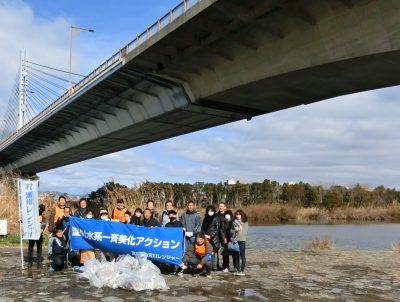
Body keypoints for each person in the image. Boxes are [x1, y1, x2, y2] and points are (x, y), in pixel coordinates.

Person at [202, 205, 220, 271]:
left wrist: (211, 235)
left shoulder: (216, 218)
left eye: (212, 211)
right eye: (209, 211)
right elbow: (202, 228)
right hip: (206, 238)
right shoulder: (205, 218)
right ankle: (207, 266)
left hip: (214, 239)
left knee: (214, 253)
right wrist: (204, 235)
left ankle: (214, 267)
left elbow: (217, 228)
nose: (210, 212)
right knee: (206, 252)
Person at [165, 210, 184, 275]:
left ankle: (179, 269)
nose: (171, 216)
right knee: (171, 255)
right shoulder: (167, 225)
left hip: (178, 243)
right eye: (170, 215)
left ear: (175, 215)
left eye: (173, 214)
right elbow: (165, 234)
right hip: (170, 243)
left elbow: (182, 233)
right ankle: (172, 269)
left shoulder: (179, 223)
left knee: (178, 256)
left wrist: (183, 230)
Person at [231, 209, 249, 276]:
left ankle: (242, 271)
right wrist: (234, 230)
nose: (238, 216)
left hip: (242, 241)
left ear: (242, 215)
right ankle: (237, 270)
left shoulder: (245, 223)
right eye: (237, 214)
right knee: (236, 256)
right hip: (235, 242)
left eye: (239, 214)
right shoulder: (234, 222)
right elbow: (231, 232)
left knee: (242, 256)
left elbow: (244, 233)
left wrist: (238, 231)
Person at [216, 202, 228, 270]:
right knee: (216, 252)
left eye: (222, 206)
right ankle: (216, 265)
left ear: (225, 207)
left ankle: (225, 266)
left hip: (224, 236)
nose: (221, 207)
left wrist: (226, 236)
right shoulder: (216, 215)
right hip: (217, 236)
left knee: (224, 251)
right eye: (220, 206)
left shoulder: (227, 215)